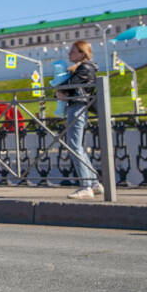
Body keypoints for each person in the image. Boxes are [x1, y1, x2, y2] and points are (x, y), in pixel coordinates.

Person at [56, 40, 102, 199]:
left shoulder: (85, 68)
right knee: (78, 147)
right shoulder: (83, 68)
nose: (69, 54)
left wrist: (59, 91)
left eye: (73, 51)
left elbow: (69, 85)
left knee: (74, 146)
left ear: (83, 53)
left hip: (77, 108)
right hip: (77, 107)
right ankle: (94, 184)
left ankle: (86, 186)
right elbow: (70, 85)